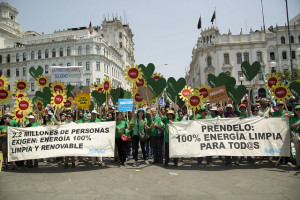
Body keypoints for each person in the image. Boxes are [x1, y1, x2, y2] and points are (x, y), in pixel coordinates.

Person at [291, 105, 300, 170]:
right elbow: (293, 125)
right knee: (298, 151)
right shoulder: (293, 118)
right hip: (296, 135)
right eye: (297, 110)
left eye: (299, 109)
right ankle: (298, 164)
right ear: (294, 111)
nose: (298, 111)